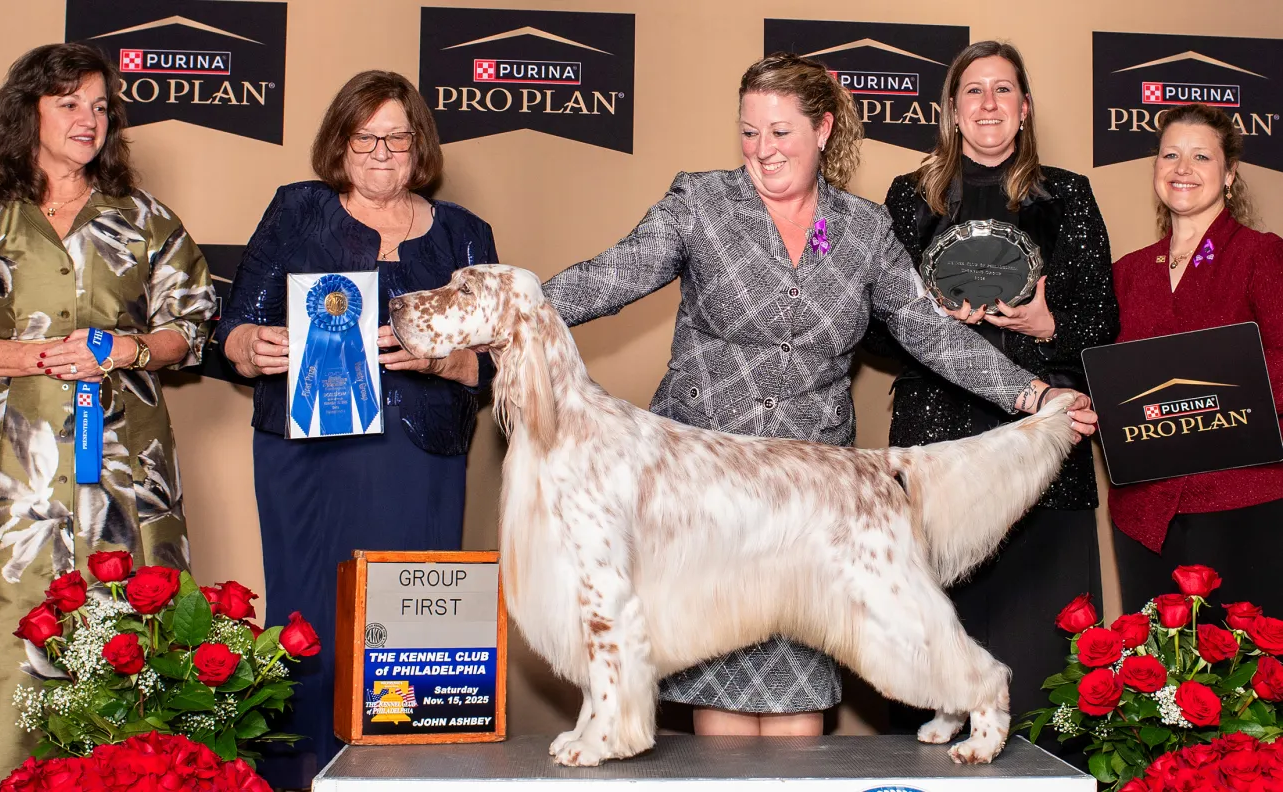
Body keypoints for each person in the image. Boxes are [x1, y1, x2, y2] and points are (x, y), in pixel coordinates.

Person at [541, 52, 1097, 738]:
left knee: (801, 736)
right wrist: (507, 315)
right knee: (723, 738)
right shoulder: (701, 203)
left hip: (816, 512)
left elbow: (931, 331)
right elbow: (607, 278)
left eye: (780, 133)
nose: (762, 150)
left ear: (823, 129)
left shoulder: (862, 229)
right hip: (711, 505)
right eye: (750, 132)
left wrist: (1033, 391)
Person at [217, 70, 496, 786]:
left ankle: (408, 779)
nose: (379, 152)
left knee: (413, 625)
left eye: (396, 138)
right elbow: (234, 327)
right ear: (338, 144)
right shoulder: (296, 211)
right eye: (363, 137)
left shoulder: (465, 234)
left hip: (420, 456)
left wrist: (453, 361)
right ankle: (297, 779)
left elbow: (498, 368)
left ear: (419, 146)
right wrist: (250, 344)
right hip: (307, 456)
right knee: (306, 617)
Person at [866, 40, 1118, 750]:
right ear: (949, 111)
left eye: (1003, 90)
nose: (987, 104)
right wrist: (928, 325)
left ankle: (1051, 768)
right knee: (931, 618)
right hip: (935, 442)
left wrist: (1047, 324)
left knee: (1042, 631)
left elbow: (1103, 319)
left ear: (1025, 107)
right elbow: (873, 332)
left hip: (1042, 446)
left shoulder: (1068, 195)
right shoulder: (909, 198)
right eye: (972, 92)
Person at [0, 43, 215, 786]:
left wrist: (128, 349)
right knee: (6, 626)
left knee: (127, 626)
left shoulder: (143, 217)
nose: (90, 120)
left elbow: (193, 325)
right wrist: (35, 357)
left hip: (125, 469)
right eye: (69, 104)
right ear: (30, 112)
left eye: (100, 106)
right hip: (7, 475)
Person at [1110, 103, 1283, 616]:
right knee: (1151, 682)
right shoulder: (1129, 272)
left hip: (1241, 502)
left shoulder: (1260, 254)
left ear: (1229, 174)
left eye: (1201, 156)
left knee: (1244, 680)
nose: (1182, 169)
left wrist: (1206, 391)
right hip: (1144, 514)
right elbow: (1110, 378)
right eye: (1171, 155)